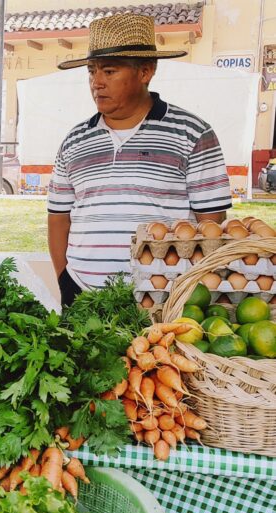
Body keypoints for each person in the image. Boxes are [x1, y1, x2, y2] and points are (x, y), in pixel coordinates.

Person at [48, 13, 232, 307]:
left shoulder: (192, 133)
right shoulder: (75, 139)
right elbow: (58, 218)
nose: (96, 82)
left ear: (145, 71)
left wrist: (188, 289)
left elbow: (211, 225)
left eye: (109, 72)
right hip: (83, 295)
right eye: (92, 71)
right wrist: (64, 279)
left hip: (163, 299)